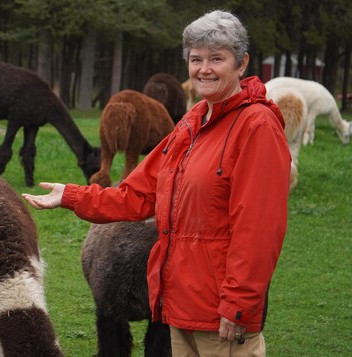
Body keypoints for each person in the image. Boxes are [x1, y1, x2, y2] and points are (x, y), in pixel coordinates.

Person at [22, 10, 291, 357]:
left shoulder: (257, 127)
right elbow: (137, 195)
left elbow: (259, 228)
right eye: (196, 59)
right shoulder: (192, 123)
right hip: (179, 309)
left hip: (220, 317)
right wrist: (73, 195)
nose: (204, 68)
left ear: (241, 64)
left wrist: (238, 306)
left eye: (216, 58)